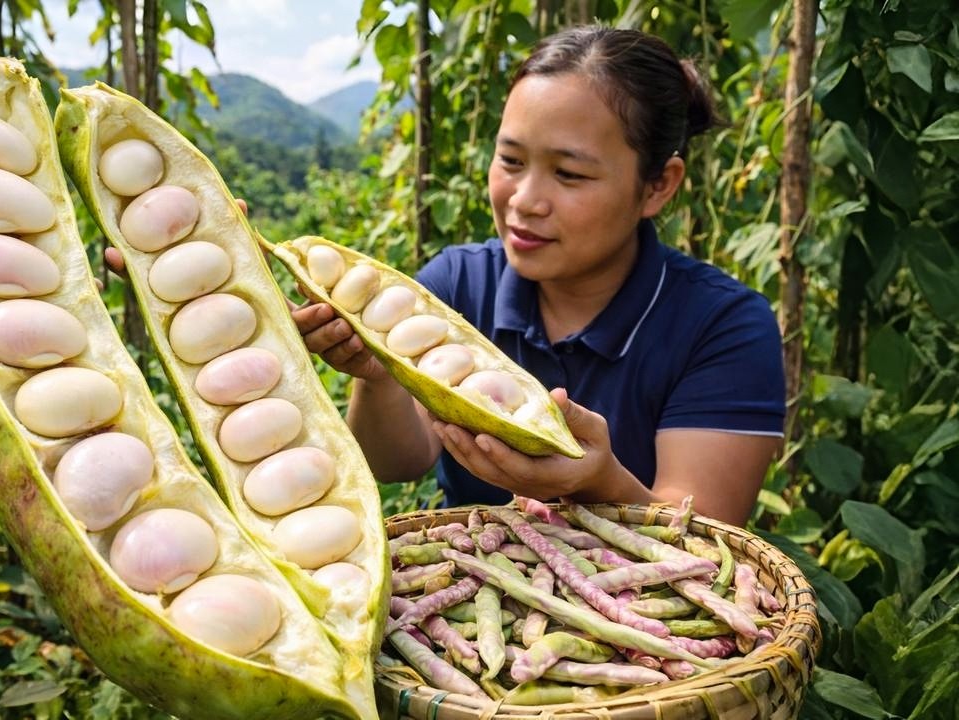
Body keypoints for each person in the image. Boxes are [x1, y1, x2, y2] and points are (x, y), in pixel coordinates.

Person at [292, 26, 785, 527]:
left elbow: (706, 537)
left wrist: (596, 481)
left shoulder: (723, 325)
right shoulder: (459, 282)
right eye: (510, 160)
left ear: (658, 185)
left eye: (569, 174)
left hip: (633, 582)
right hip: (470, 564)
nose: (525, 201)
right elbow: (398, 463)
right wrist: (379, 376)